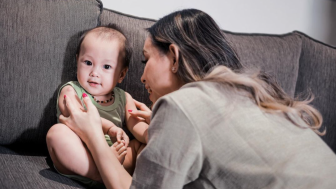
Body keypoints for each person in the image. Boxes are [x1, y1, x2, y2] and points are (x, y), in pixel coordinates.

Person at [58, 9, 336, 189]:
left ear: (175, 57)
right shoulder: (247, 92)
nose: (141, 78)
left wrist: (93, 133)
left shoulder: (180, 107)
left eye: (146, 60)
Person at [46, 25, 148, 188]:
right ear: (77, 61)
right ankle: (98, 172)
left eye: (106, 67)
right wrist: (109, 128)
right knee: (56, 134)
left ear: (121, 74)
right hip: (80, 160)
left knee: (142, 146)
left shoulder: (124, 98)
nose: (94, 72)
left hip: (118, 159)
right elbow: (77, 114)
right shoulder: (71, 90)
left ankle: (129, 177)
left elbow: (137, 124)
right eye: (88, 62)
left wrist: (151, 135)